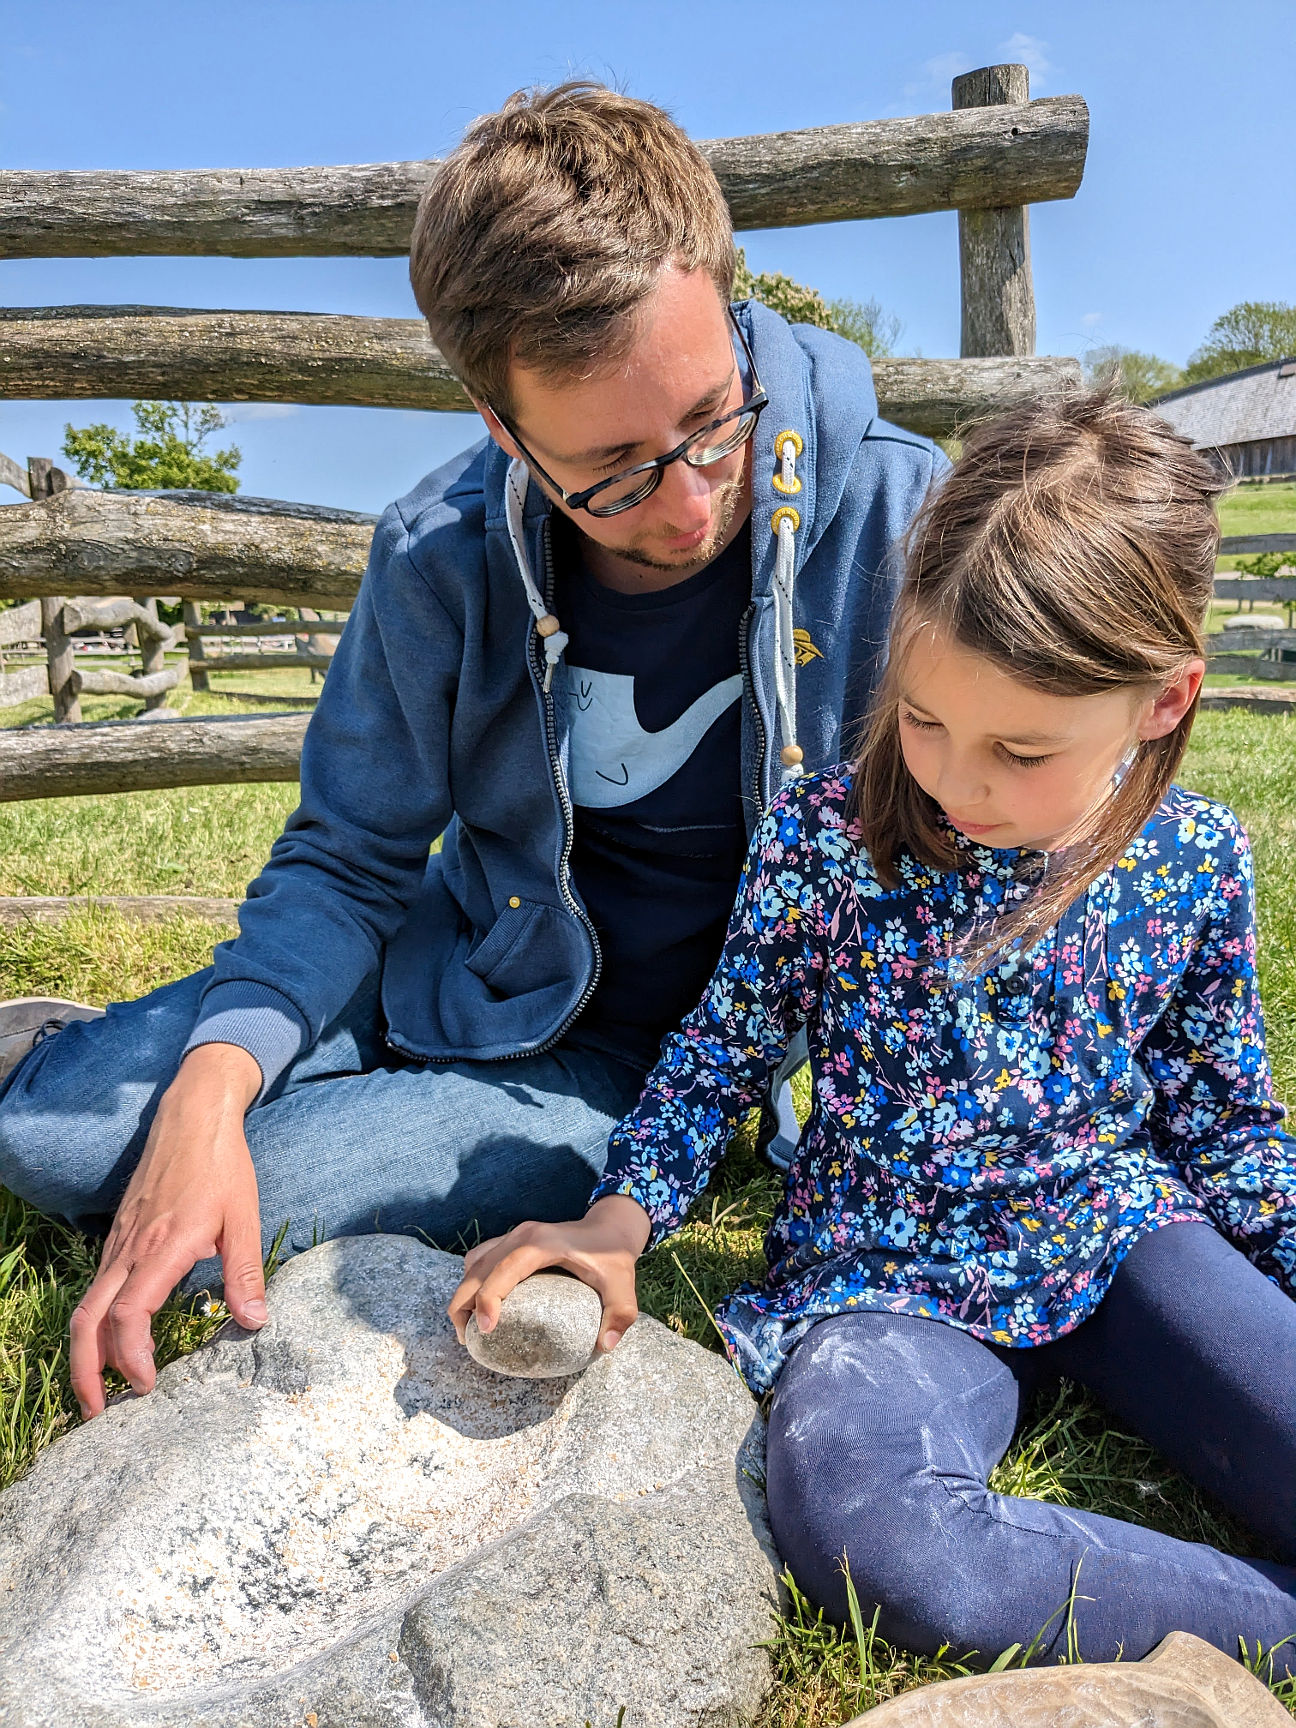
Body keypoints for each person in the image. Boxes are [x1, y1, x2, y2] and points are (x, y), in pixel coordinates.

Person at [0, 83, 944, 1422]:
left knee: (253, 1224)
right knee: (53, 1139)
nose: (685, 502)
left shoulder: (905, 513)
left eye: (711, 422)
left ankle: (262, 1106)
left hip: (633, 1062)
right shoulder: (436, 549)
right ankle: (86, 1061)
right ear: (503, 430)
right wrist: (208, 1094)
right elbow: (349, 852)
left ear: (730, 312)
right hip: (449, 959)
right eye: (611, 470)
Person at [449, 387, 1296, 1673]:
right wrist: (617, 1219)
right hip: (884, 1269)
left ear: (1165, 703)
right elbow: (726, 1044)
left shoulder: (1194, 860)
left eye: (1023, 750)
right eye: (928, 716)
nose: (957, 780)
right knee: (880, 1540)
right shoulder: (826, 836)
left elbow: (1227, 1127)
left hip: (1119, 1233)